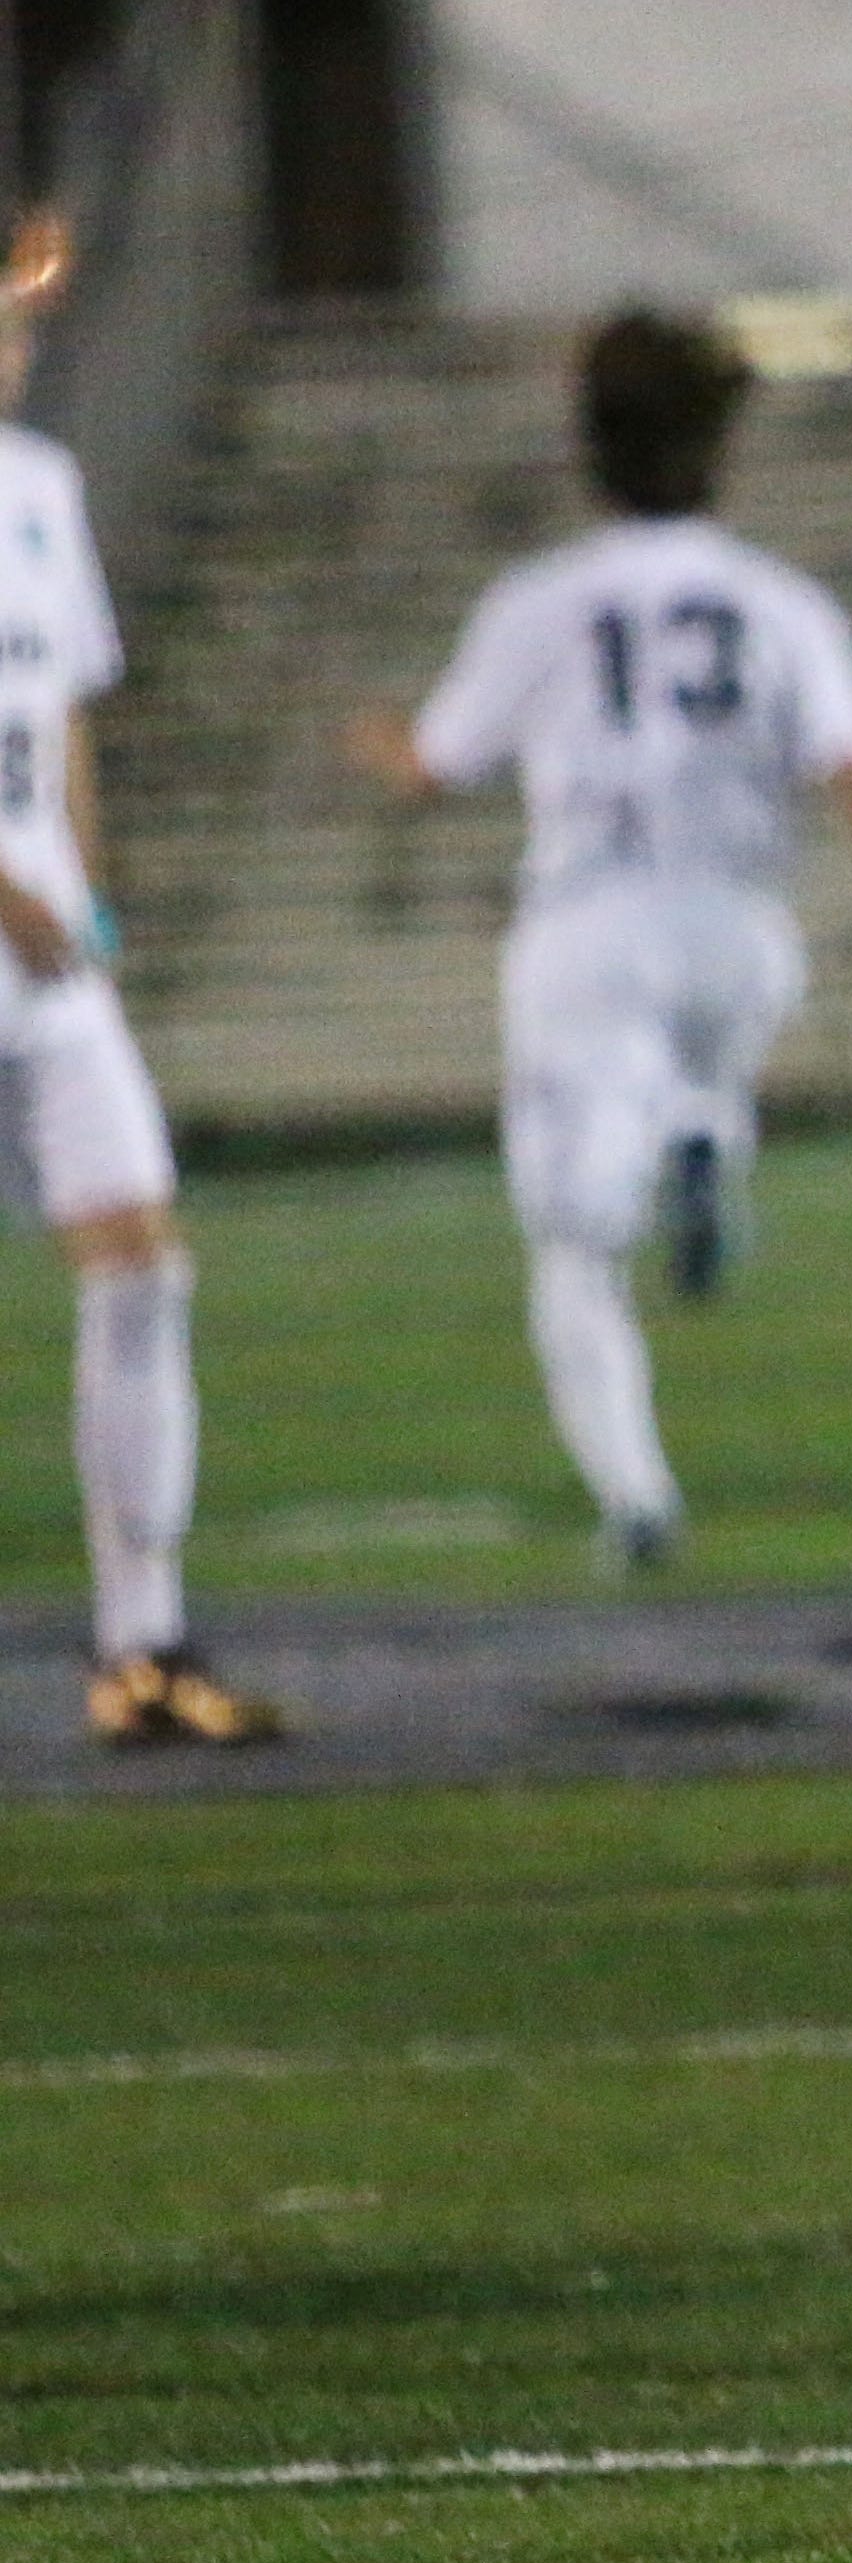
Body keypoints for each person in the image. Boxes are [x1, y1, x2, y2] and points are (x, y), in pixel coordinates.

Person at [353, 309, 852, 1572]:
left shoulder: (545, 603)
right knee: (696, 1080)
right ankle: (701, 1131)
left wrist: (365, 738)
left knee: (577, 1244)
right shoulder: (780, 604)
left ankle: (638, 1497)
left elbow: (436, 764)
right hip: (742, 928)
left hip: (591, 923)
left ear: (592, 448)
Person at [0, 206, 278, 1745]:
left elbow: (68, 714)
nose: (16, 346)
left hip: (46, 960)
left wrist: (83, 898)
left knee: (141, 1260)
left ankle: (145, 1645)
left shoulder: (39, 489)